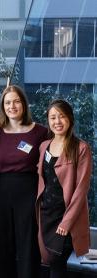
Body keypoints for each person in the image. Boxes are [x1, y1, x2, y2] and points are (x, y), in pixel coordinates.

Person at [0, 85, 48, 278]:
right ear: (3, 107)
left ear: (23, 104)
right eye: (7, 102)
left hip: (28, 193)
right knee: (2, 247)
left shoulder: (40, 132)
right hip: (1, 194)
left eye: (16, 101)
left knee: (28, 246)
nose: (12, 106)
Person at [36, 99, 92, 278]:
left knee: (57, 263)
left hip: (65, 217)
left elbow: (81, 189)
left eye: (62, 116)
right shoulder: (44, 146)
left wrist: (66, 223)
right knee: (50, 262)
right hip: (46, 214)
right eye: (53, 117)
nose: (57, 122)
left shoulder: (81, 148)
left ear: (70, 119)